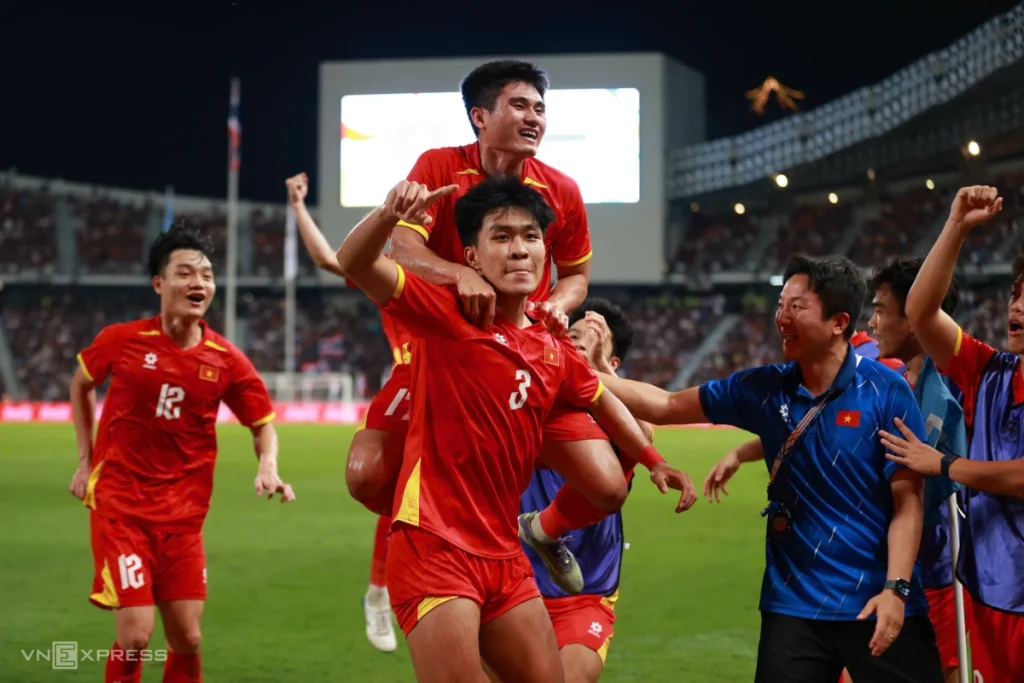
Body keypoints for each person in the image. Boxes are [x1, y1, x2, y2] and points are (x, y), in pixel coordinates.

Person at [335, 175, 693, 683]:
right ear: (471, 258)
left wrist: (656, 463)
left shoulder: (552, 345)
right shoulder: (443, 314)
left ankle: (543, 533)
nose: (520, 249)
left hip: (504, 554)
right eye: (501, 237)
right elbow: (353, 262)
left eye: (530, 236)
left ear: (546, 252)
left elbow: (604, 402)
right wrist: (389, 213)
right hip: (435, 547)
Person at [359, 59, 677, 596]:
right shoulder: (437, 167)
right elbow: (403, 249)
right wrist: (460, 274)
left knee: (605, 485)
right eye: (520, 105)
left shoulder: (561, 189)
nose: (535, 117)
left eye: (540, 107)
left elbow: (576, 275)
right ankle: (427, 537)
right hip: (445, 349)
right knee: (366, 475)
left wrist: (557, 303)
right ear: (480, 116)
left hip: (528, 353)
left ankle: (541, 530)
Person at [594, 253, 945, 682]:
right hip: (793, 606)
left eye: (797, 307)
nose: (782, 316)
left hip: (877, 599)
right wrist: (569, 366)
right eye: (780, 304)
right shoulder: (763, 389)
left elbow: (908, 503)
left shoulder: (886, 392)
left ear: (838, 322)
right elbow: (665, 405)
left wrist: (896, 589)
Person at [707, 256, 968, 683]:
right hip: (857, 572)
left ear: (921, 315)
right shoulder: (862, 358)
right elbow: (816, 427)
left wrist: (944, 465)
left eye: (883, 311)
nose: (875, 322)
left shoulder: (951, 387)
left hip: (933, 562)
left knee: (948, 668)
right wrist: (743, 452)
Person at [68, 225, 295, 683]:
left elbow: (262, 423)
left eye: (207, 275)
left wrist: (267, 465)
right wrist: (85, 458)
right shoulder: (123, 340)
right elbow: (82, 383)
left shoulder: (225, 359)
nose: (199, 283)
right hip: (122, 507)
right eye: (185, 273)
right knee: (135, 636)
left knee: (187, 639)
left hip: (183, 518)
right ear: (159, 283)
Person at [883, 185, 1024, 683]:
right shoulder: (993, 372)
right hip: (989, 587)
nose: (1018, 307)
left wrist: (943, 464)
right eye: (1015, 294)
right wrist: (956, 227)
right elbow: (920, 313)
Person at [285, 172, 399, 652]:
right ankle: (379, 594)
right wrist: (297, 207)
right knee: (396, 495)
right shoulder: (394, 273)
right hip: (413, 391)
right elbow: (326, 259)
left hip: (476, 391)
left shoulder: (475, 269)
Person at [517, 299, 649, 683]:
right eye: (572, 336)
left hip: (587, 592)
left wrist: (600, 368)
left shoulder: (617, 415)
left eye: (589, 340)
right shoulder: (532, 393)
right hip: (517, 587)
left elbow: (642, 439)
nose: (576, 345)